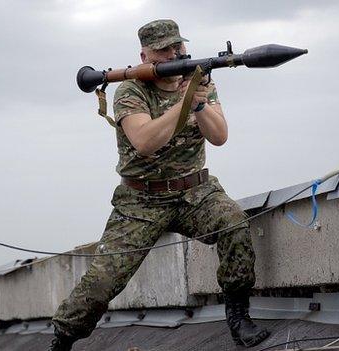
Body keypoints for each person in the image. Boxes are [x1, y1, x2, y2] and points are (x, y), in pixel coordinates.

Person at [49, 19, 270, 351]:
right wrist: (182, 106)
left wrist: (198, 103)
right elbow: (145, 141)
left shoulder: (200, 82)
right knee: (104, 280)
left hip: (195, 192)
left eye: (176, 47)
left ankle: (239, 316)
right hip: (142, 201)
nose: (173, 54)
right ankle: (64, 337)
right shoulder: (131, 91)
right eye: (163, 49)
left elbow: (220, 136)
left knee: (234, 223)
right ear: (145, 55)